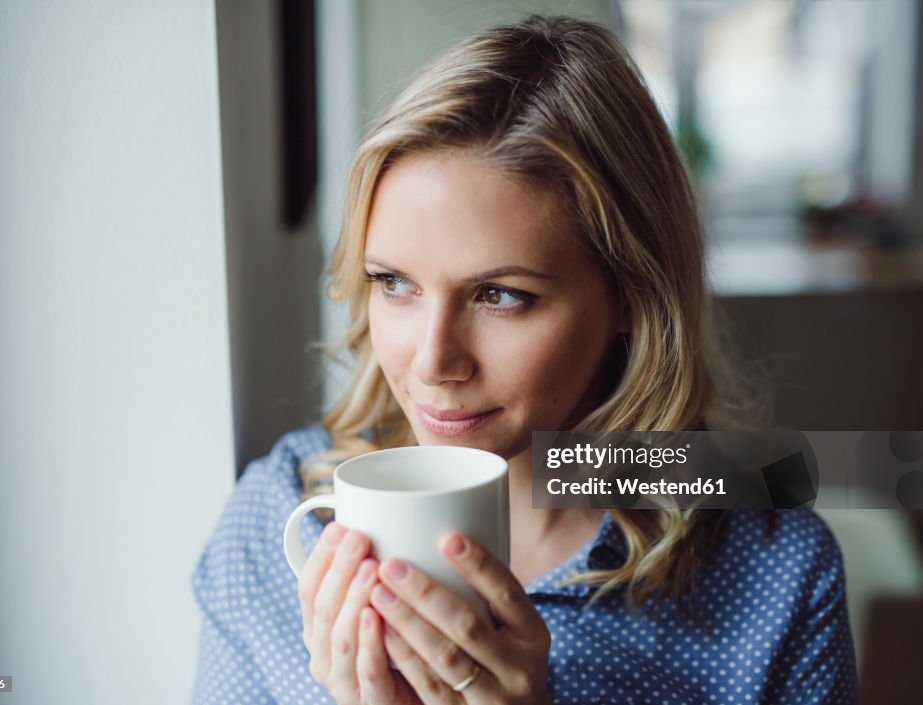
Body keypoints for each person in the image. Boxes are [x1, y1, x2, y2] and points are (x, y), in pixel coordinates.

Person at [191, 15, 857, 705]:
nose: (432, 359)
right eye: (394, 282)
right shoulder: (275, 525)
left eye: (501, 295)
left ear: (633, 295)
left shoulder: (777, 570)